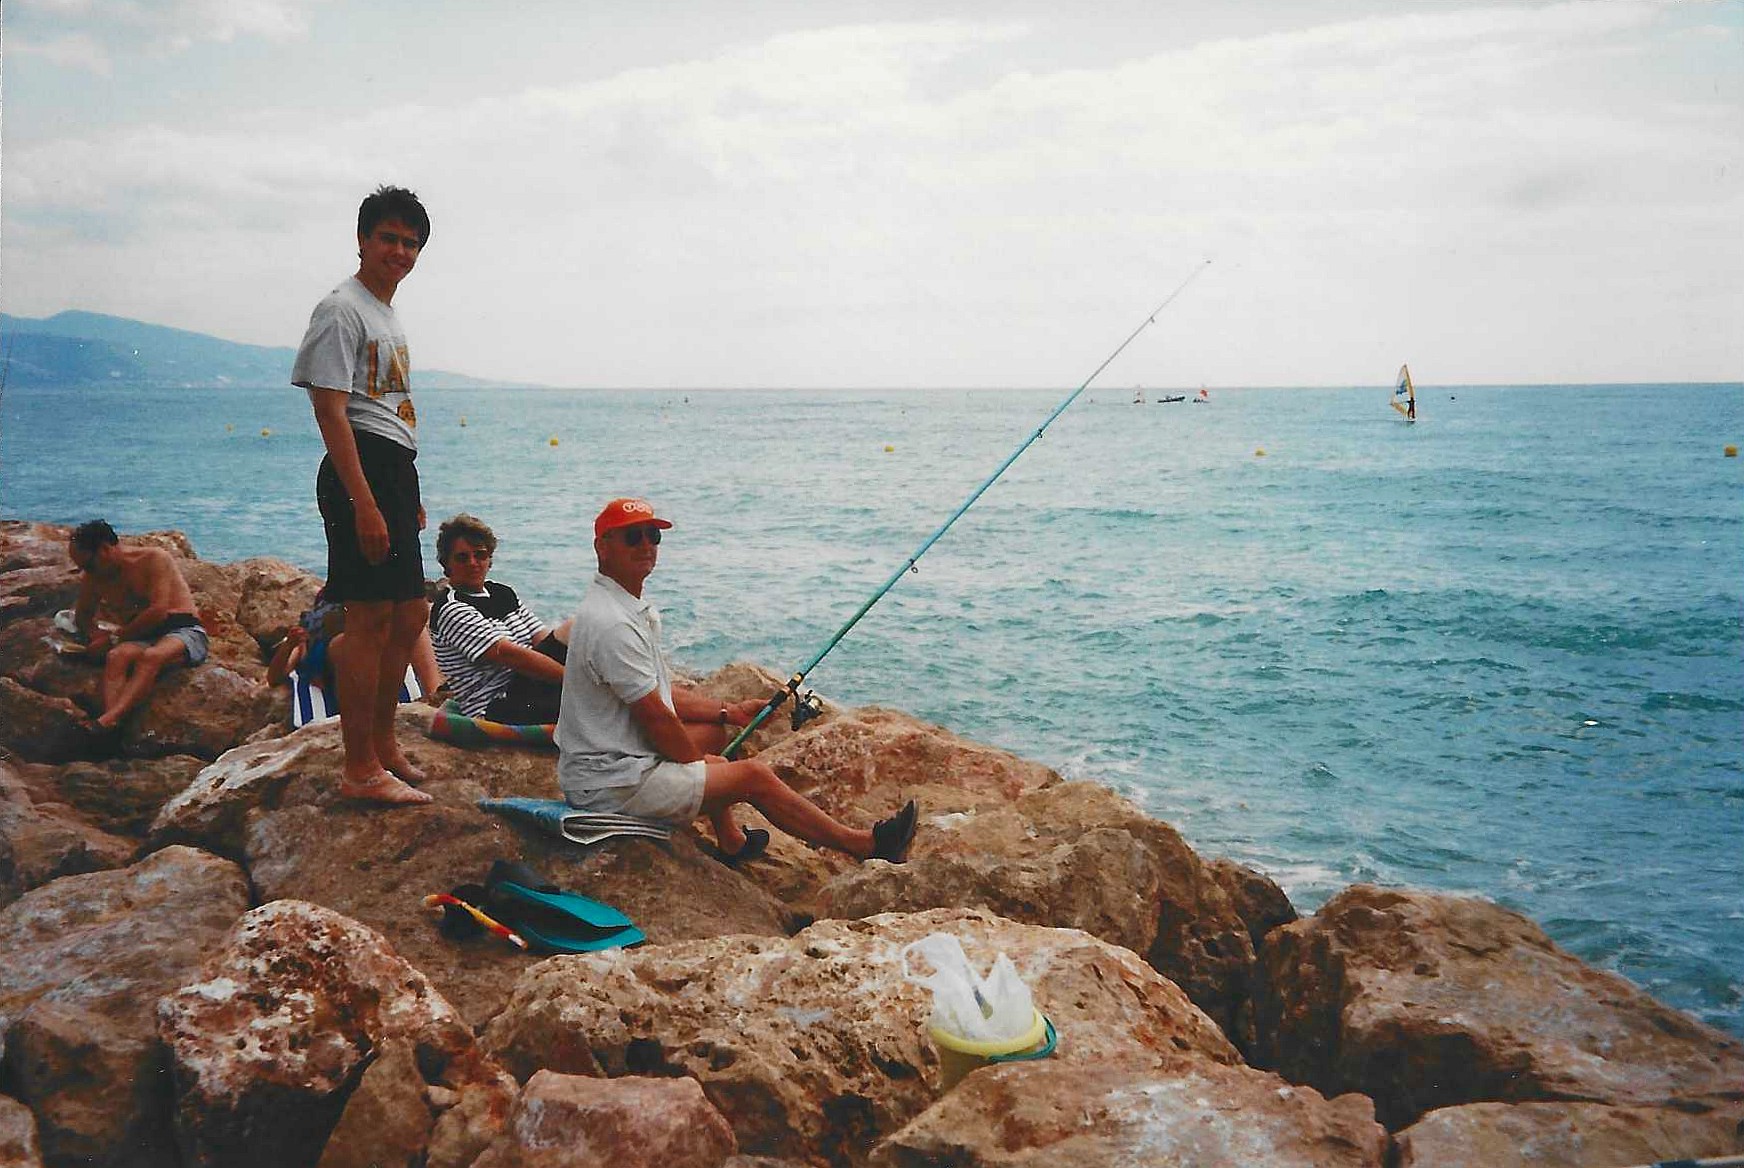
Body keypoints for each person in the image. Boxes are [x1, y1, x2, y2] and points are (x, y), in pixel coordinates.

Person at [556, 498, 918, 865]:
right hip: (612, 785)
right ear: (602, 546)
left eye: (653, 536)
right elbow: (658, 720)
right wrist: (699, 767)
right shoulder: (613, 623)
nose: (647, 546)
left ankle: (730, 841)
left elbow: (662, 695)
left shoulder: (619, 608)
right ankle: (863, 844)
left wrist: (728, 712)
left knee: (715, 742)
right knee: (752, 776)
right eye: (633, 537)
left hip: (613, 767)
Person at [291, 184, 435, 806]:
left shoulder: (386, 312)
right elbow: (331, 410)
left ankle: (382, 744)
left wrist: (409, 492)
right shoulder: (341, 308)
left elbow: (392, 407)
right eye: (389, 239)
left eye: (410, 242)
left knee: (410, 613)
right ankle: (359, 769)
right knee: (369, 620)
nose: (399, 251)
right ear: (362, 240)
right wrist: (366, 503)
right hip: (360, 472)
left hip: (392, 468)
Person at [66, 519, 210, 730]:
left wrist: (114, 638)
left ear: (105, 549)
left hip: (182, 629)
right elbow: (83, 616)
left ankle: (106, 720)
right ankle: (111, 727)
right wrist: (93, 635)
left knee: (151, 657)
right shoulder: (95, 577)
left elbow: (158, 611)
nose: (86, 571)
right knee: (116, 657)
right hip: (141, 635)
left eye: (88, 564)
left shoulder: (153, 559)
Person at [428, 513, 570, 723]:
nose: (473, 563)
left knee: (579, 628)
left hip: (528, 686)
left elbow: (541, 637)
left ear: (490, 559)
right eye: (462, 557)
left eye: (480, 555)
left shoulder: (502, 593)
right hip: (497, 704)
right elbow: (510, 655)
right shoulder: (451, 608)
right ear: (446, 563)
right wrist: (575, 681)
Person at [266, 583, 444, 709]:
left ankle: (435, 695)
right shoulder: (305, 637)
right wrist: (289, 645)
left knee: (413, 626)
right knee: (349, 643)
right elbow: (274, 677)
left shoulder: (364, 618)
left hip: (375, 657)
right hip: (342, 668)